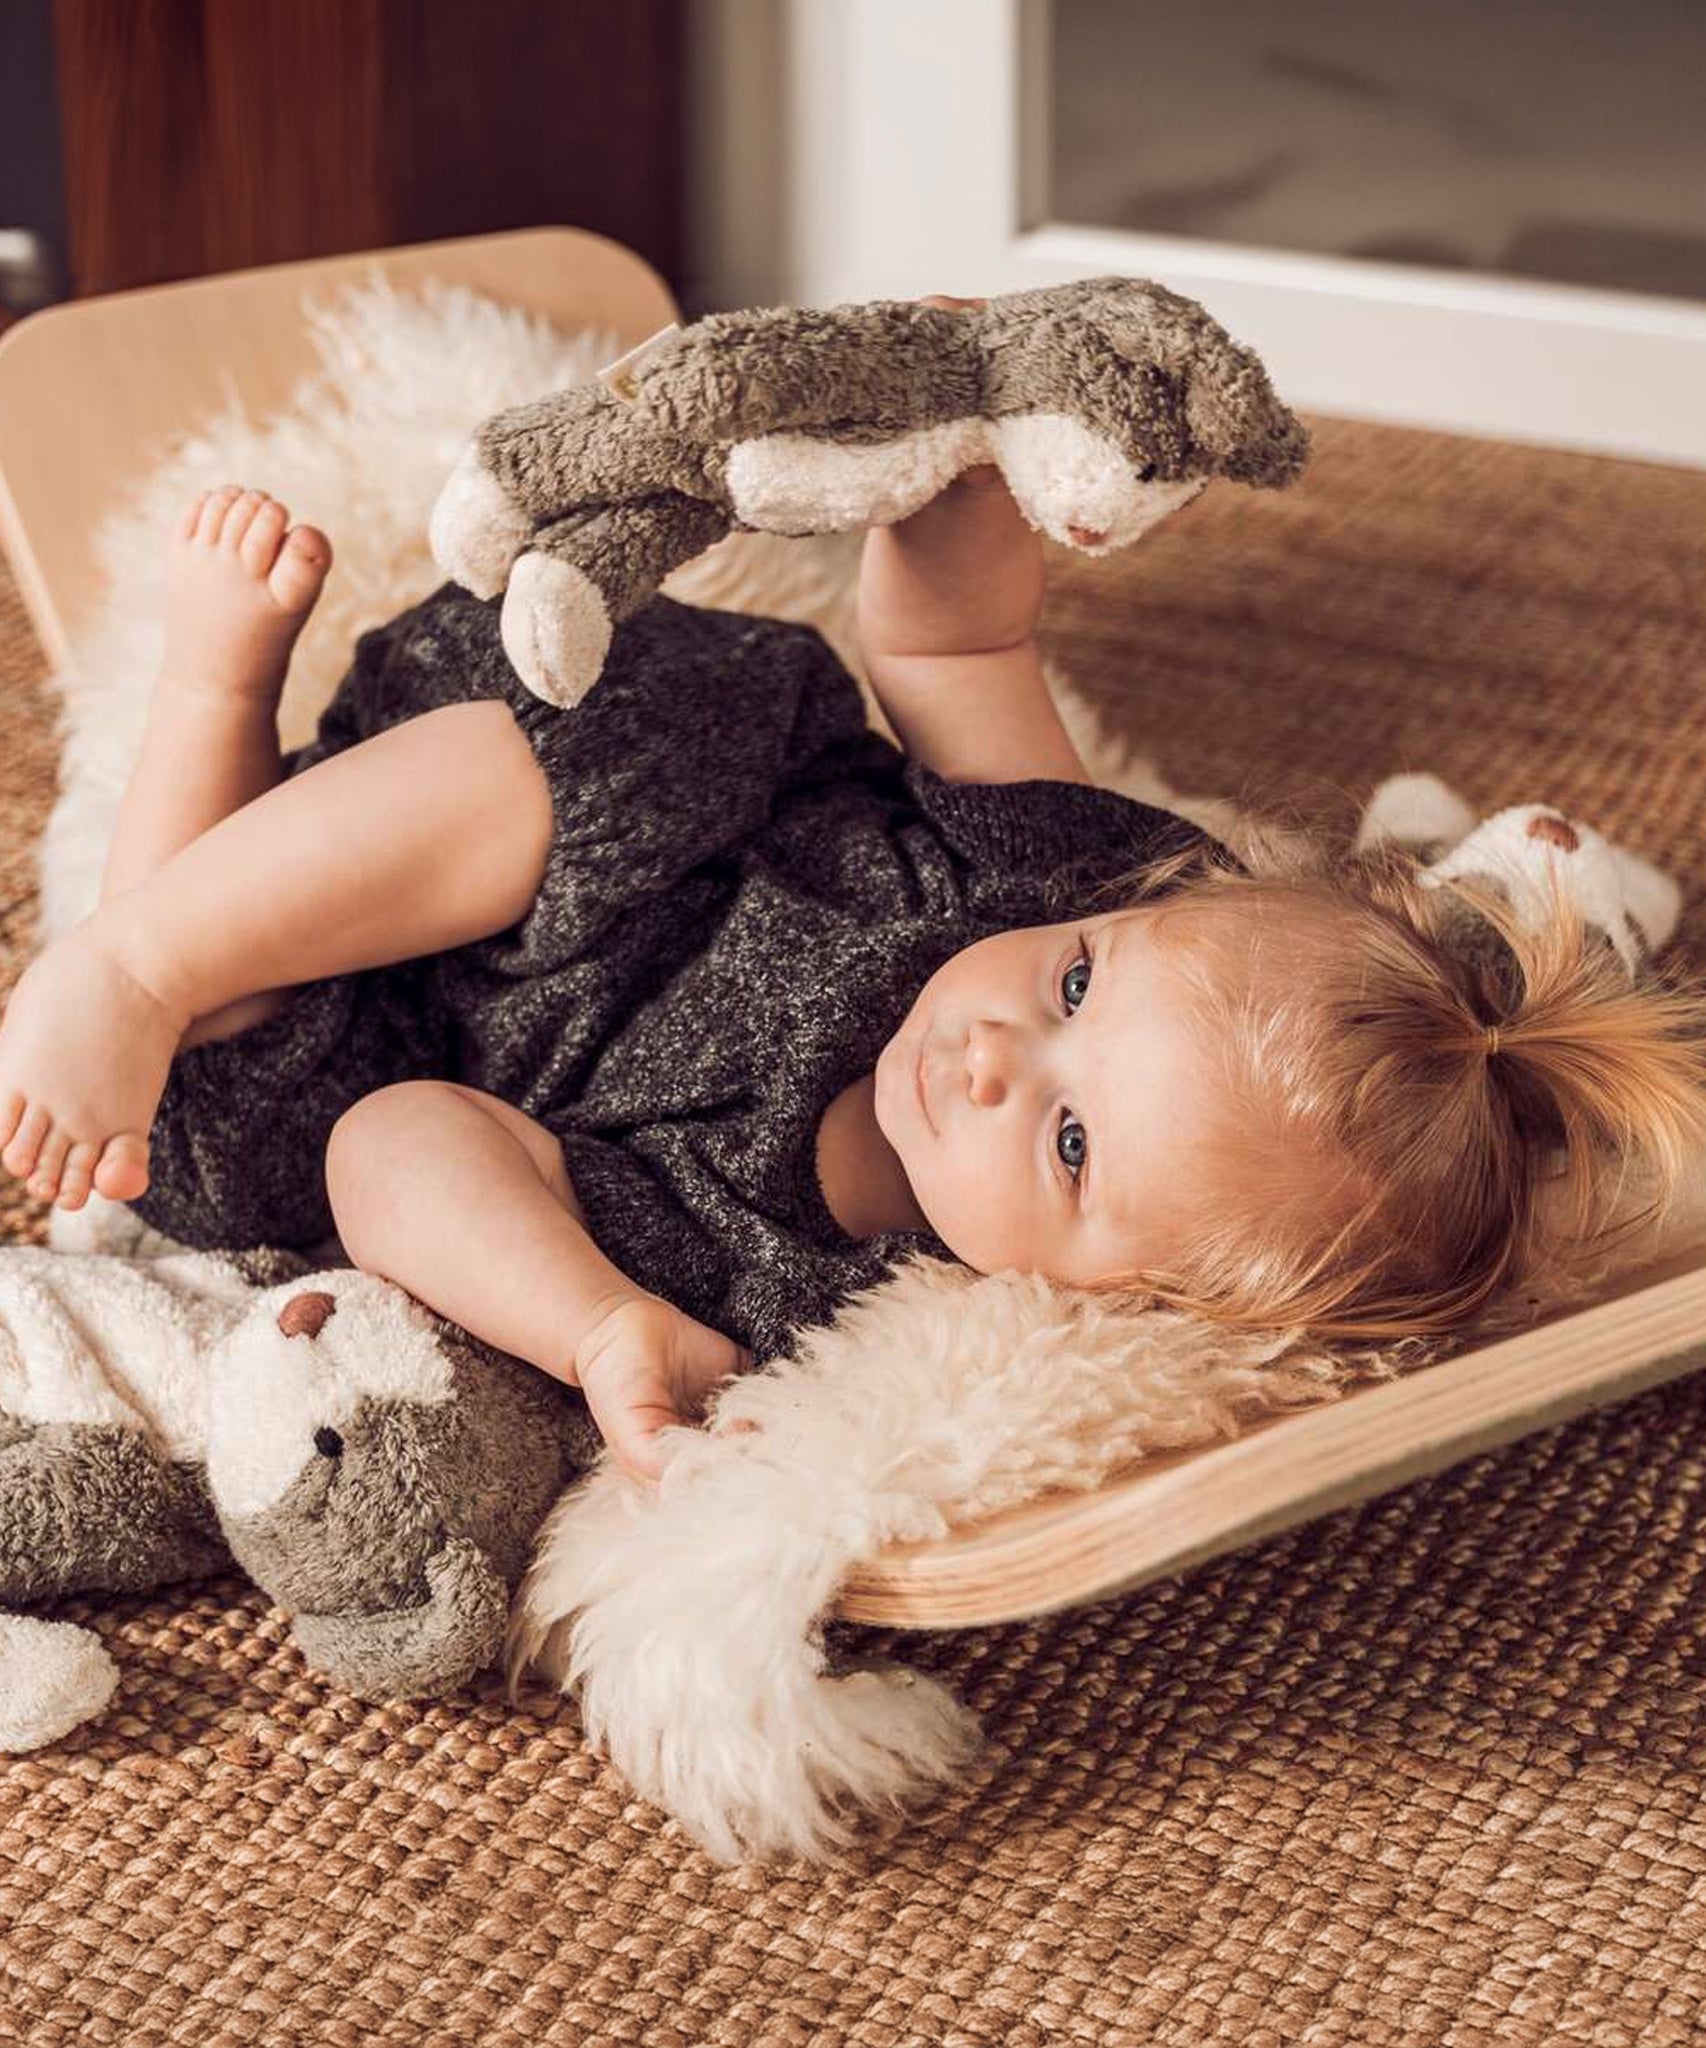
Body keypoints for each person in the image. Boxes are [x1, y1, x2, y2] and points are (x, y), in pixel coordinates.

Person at [1, 455, 1702, 1485]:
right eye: (1081, 991)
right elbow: (952, 644)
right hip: (470, 830)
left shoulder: (782, 1288)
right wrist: (963, 489)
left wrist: (597, 1324)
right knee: (579, 772)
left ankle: (211, 713)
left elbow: (396, 1146)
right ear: (1144, 902)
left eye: (1068, 1145)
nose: (989, 1051)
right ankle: (137, 956)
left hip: (363, 1030)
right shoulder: (1050, 865)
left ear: (1131, 1308)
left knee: (258, 1111)